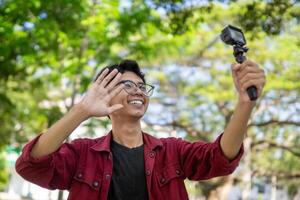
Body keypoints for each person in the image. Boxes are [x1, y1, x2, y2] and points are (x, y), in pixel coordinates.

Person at [16, 59, 266, 200]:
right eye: (126, 84)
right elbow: (31, 165)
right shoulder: (83, 154)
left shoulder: (171, 151)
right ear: (105, 94)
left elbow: (221, 158)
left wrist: (245, 103)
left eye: (141, 86)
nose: (137, 90)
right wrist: (81, 111)